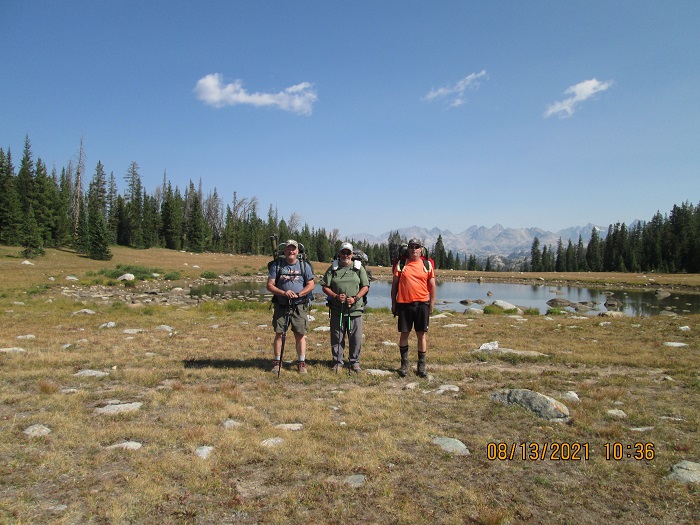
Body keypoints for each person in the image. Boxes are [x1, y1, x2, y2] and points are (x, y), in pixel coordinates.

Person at [266, 239, 315, 374]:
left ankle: (301, 363)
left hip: (299, 305)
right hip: (281, 304)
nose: (291, 251)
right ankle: (277, 362)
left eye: (293, 249)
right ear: (285, 250)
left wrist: (299, 294)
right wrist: (283, 293)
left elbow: (311, 285)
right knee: (279, 333)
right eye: (288, 249)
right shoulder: (277, 266)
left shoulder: (304, 266)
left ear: (297, 251)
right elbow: (270, 285)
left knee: (300, 334)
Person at [321, 242, 370, 373]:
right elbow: (325, 286)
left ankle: (355, 362)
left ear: (352, 254)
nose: (345, 255)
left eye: (348, 253)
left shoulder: (358, 268)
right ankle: (338, 362)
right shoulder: (333, 268)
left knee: (356, 338)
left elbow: (365, 286)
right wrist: (335, 296)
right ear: (339, 254)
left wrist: (356, 298)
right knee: (337, 337)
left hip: (355, 310)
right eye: (343, 252)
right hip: (338, 309)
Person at [390, 238, 436, 378]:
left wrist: (432, 303)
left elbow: (432, 285)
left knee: (421, 335)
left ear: (421, 249)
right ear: (407, 249)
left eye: (417, 247)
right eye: (411, 247)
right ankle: (404, 364)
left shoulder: (427, 264)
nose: (414, 249)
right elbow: (394, 286)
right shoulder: (401, 264)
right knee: (404, 334)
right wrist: (394, 303)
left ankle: (421, 365)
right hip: (404, 304)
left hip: (422, 303)